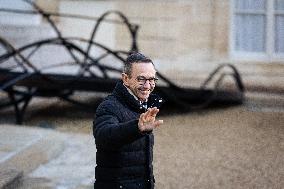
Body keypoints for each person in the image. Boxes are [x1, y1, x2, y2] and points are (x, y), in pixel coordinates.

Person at [93, 52, 164, 189]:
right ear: (126, 79)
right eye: (141, 79)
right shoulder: (109, 106)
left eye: (152, 80)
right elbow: (104, 136)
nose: (148, 86)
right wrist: (136, 128)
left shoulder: (142, 103)